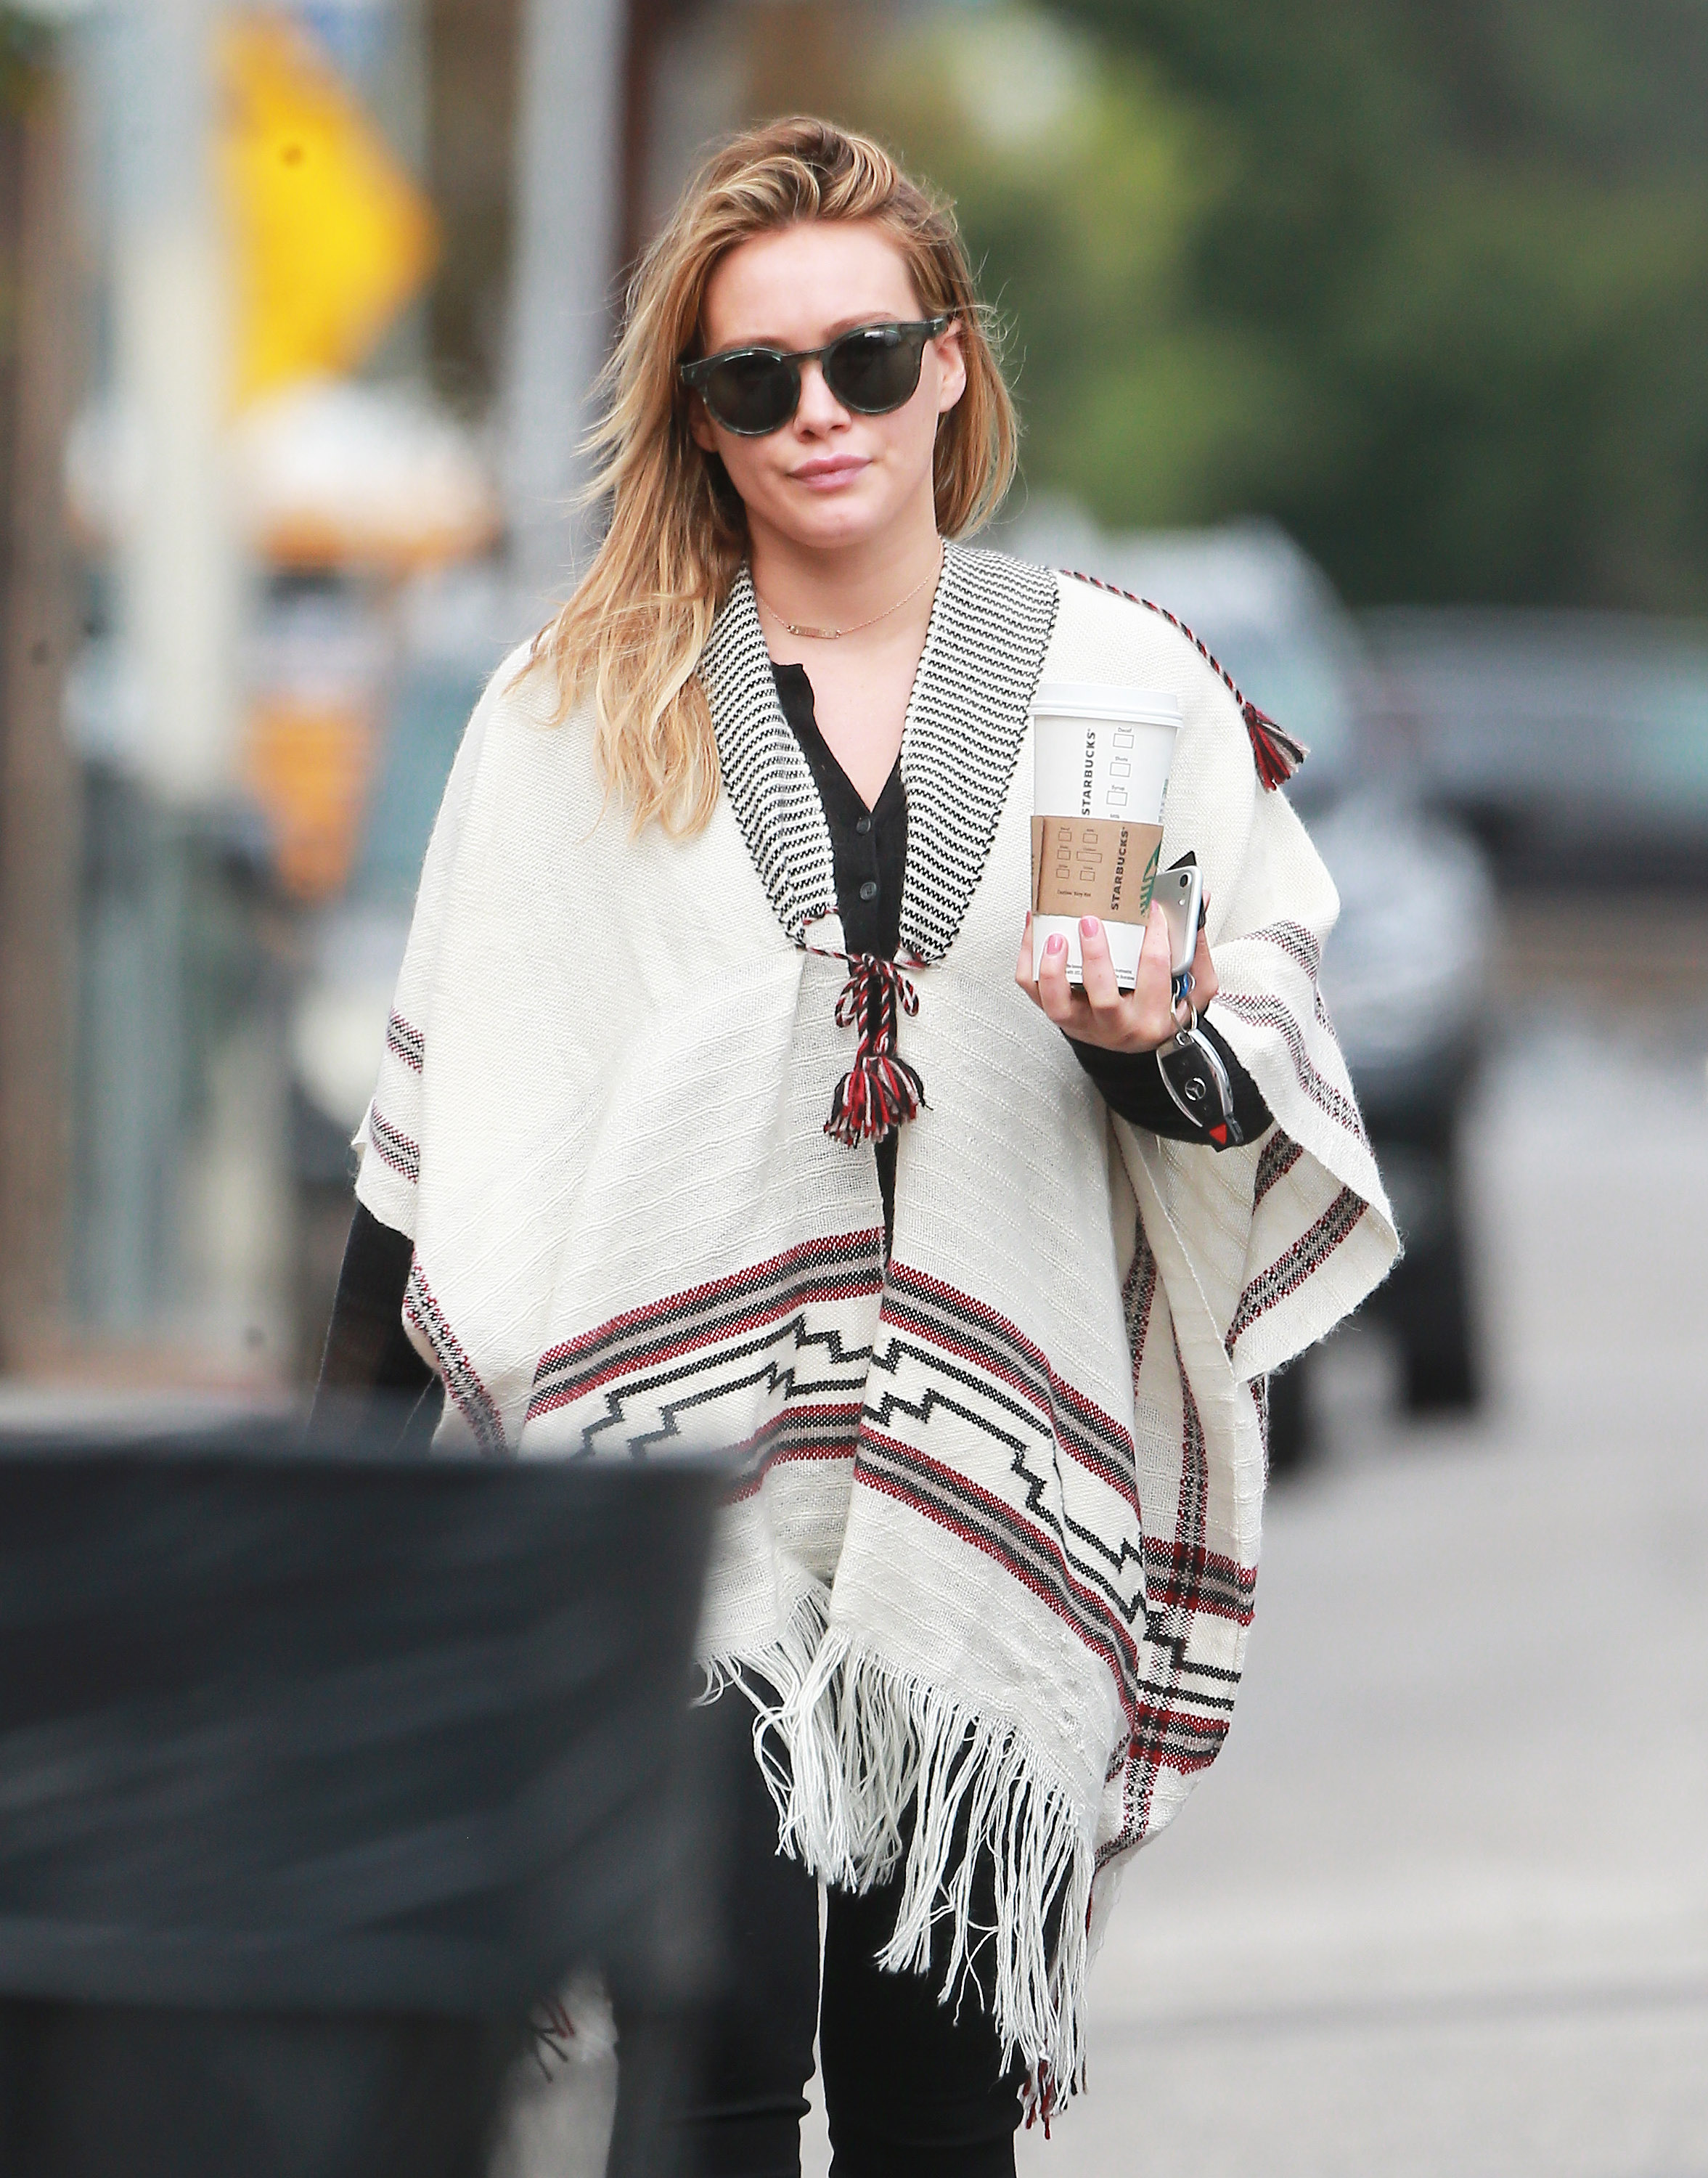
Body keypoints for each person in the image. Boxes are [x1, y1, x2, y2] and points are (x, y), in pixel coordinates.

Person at [318, 116, 1397, 2178]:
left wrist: (1147, 1043)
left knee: (934, 2104)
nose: (818, 413)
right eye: (757, 378)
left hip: (993, 1488)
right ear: (700, 418)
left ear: (951, 368)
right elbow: (448, 1142)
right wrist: (339, 1525)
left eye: (865, 359)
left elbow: (1244, 1069)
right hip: (669, 1491)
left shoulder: (1128, 684)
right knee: (704, 2061)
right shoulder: (574, 711)